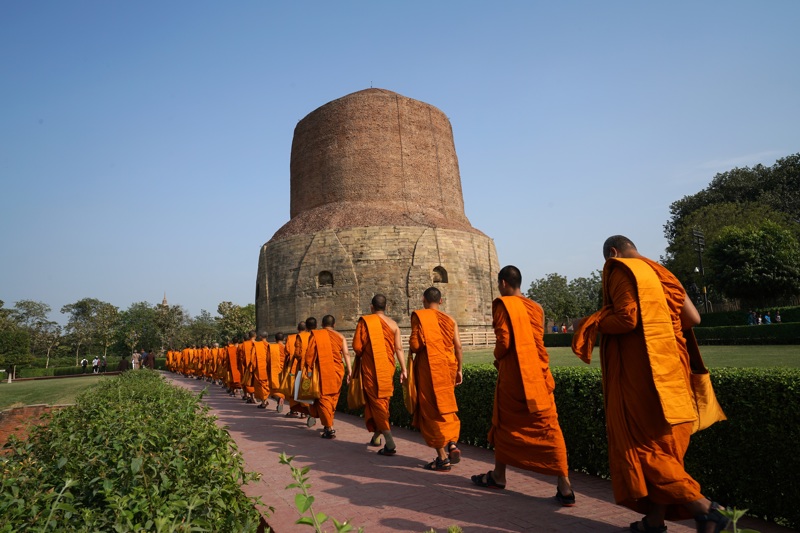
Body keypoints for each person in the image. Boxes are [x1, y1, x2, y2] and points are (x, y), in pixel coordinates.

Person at [572, 235, 730, 533]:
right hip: (674, 372)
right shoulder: (663, 272)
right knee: (664, 447)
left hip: (645, 375)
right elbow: (693, 318)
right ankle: (654, 521)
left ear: (613, 254)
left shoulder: (621, 269)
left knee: (642, 446)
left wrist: (590, 322)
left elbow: (627, 319)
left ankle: (704, 508)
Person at [471, 265, 575, 506]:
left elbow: (504, 341)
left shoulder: (503, 305)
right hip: (538, 376)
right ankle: (564, 484)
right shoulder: (536, 308)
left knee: (505, 424)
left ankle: (499, 476)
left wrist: (497, 357)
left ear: (504, 284)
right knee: (548, 425)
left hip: (514, 377)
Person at [409, 287, 463, 471]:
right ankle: (453, 443)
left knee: (431, 411)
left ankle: (442, 458)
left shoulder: (420, 317)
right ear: (441, 301)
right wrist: (460, 370)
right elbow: (459, 347)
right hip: (448, 366)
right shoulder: (450, 320)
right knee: (446, 405)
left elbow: (416, 345)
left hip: (429, 368)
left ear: (423, 299)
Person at [352, 294, 406, 456]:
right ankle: (377, 436)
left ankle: (389, 440)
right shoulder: (393, 324)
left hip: (372, 368)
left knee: (377, 402)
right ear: (386, 307)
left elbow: (357, 347)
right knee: (382, 401)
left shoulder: (365, 322)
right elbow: (399, 349)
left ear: (371, 307)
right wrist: (404, 369)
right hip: (388, 368)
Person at [305, 315, 351, 439]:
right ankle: (328, 424)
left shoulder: (316, 335)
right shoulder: (340, 336)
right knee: (333, 398)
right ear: (334, 325)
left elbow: (309, 356)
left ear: (322, 324)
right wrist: (350, 370)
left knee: (324, 398)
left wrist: (308, 372)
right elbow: (346, 353)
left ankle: (329, 428)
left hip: (323, 372)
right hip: (337, 372)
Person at [285, 322, 311, 419]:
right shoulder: (312, 336)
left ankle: (299, 410)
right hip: (311, 368)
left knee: (296, 389)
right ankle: (306, 412)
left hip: (298, 368)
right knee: (306, 389)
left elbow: (291, 352)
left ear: (297, 328)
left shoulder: (293, 337)